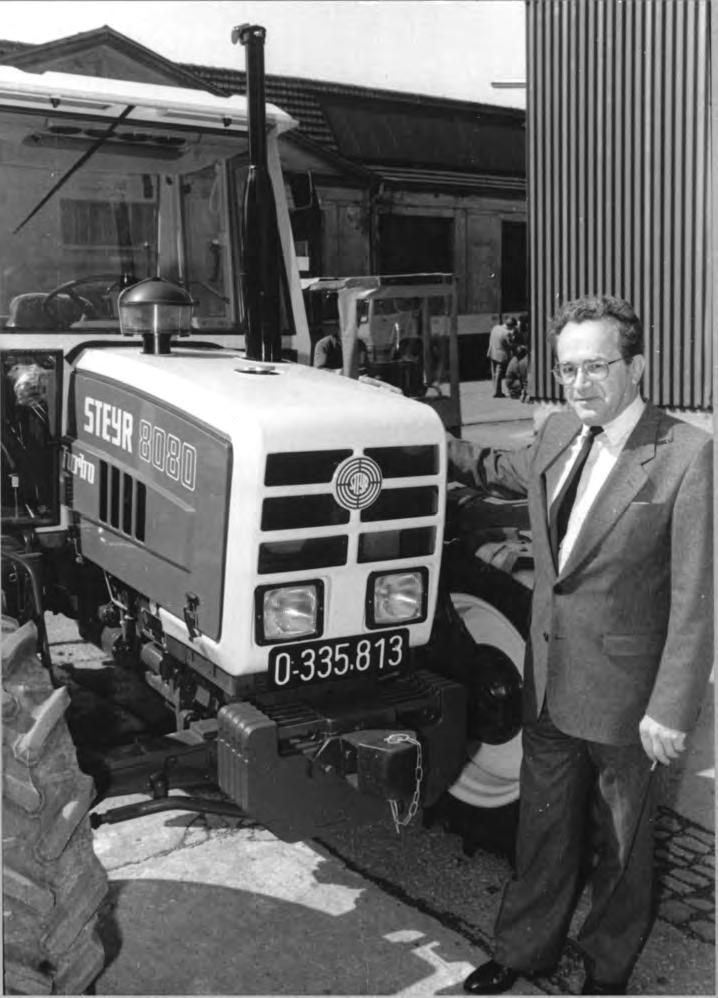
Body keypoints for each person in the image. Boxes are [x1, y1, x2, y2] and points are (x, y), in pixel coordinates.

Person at [448, 295, 713, 996]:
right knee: (541, 831)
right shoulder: (562, 428)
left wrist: (671, 708)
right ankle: (523, 951)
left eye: (597, 366)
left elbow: (695, 598)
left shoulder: (686, 455)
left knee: (622, 850)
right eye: (568, 369)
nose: (580, 383)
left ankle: (606, 971)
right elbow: (501, 469)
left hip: (628, 700)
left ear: (637, 367)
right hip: (546, 680)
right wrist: (419, 435)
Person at [487, 316, 516, 397]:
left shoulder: (495, 328)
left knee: (493, 373)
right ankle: (497, 392)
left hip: (492, 351)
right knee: (499, 373)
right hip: (500, 355)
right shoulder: (507, 333)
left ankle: (495, 390)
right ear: (511, 326)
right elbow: (510, 345)